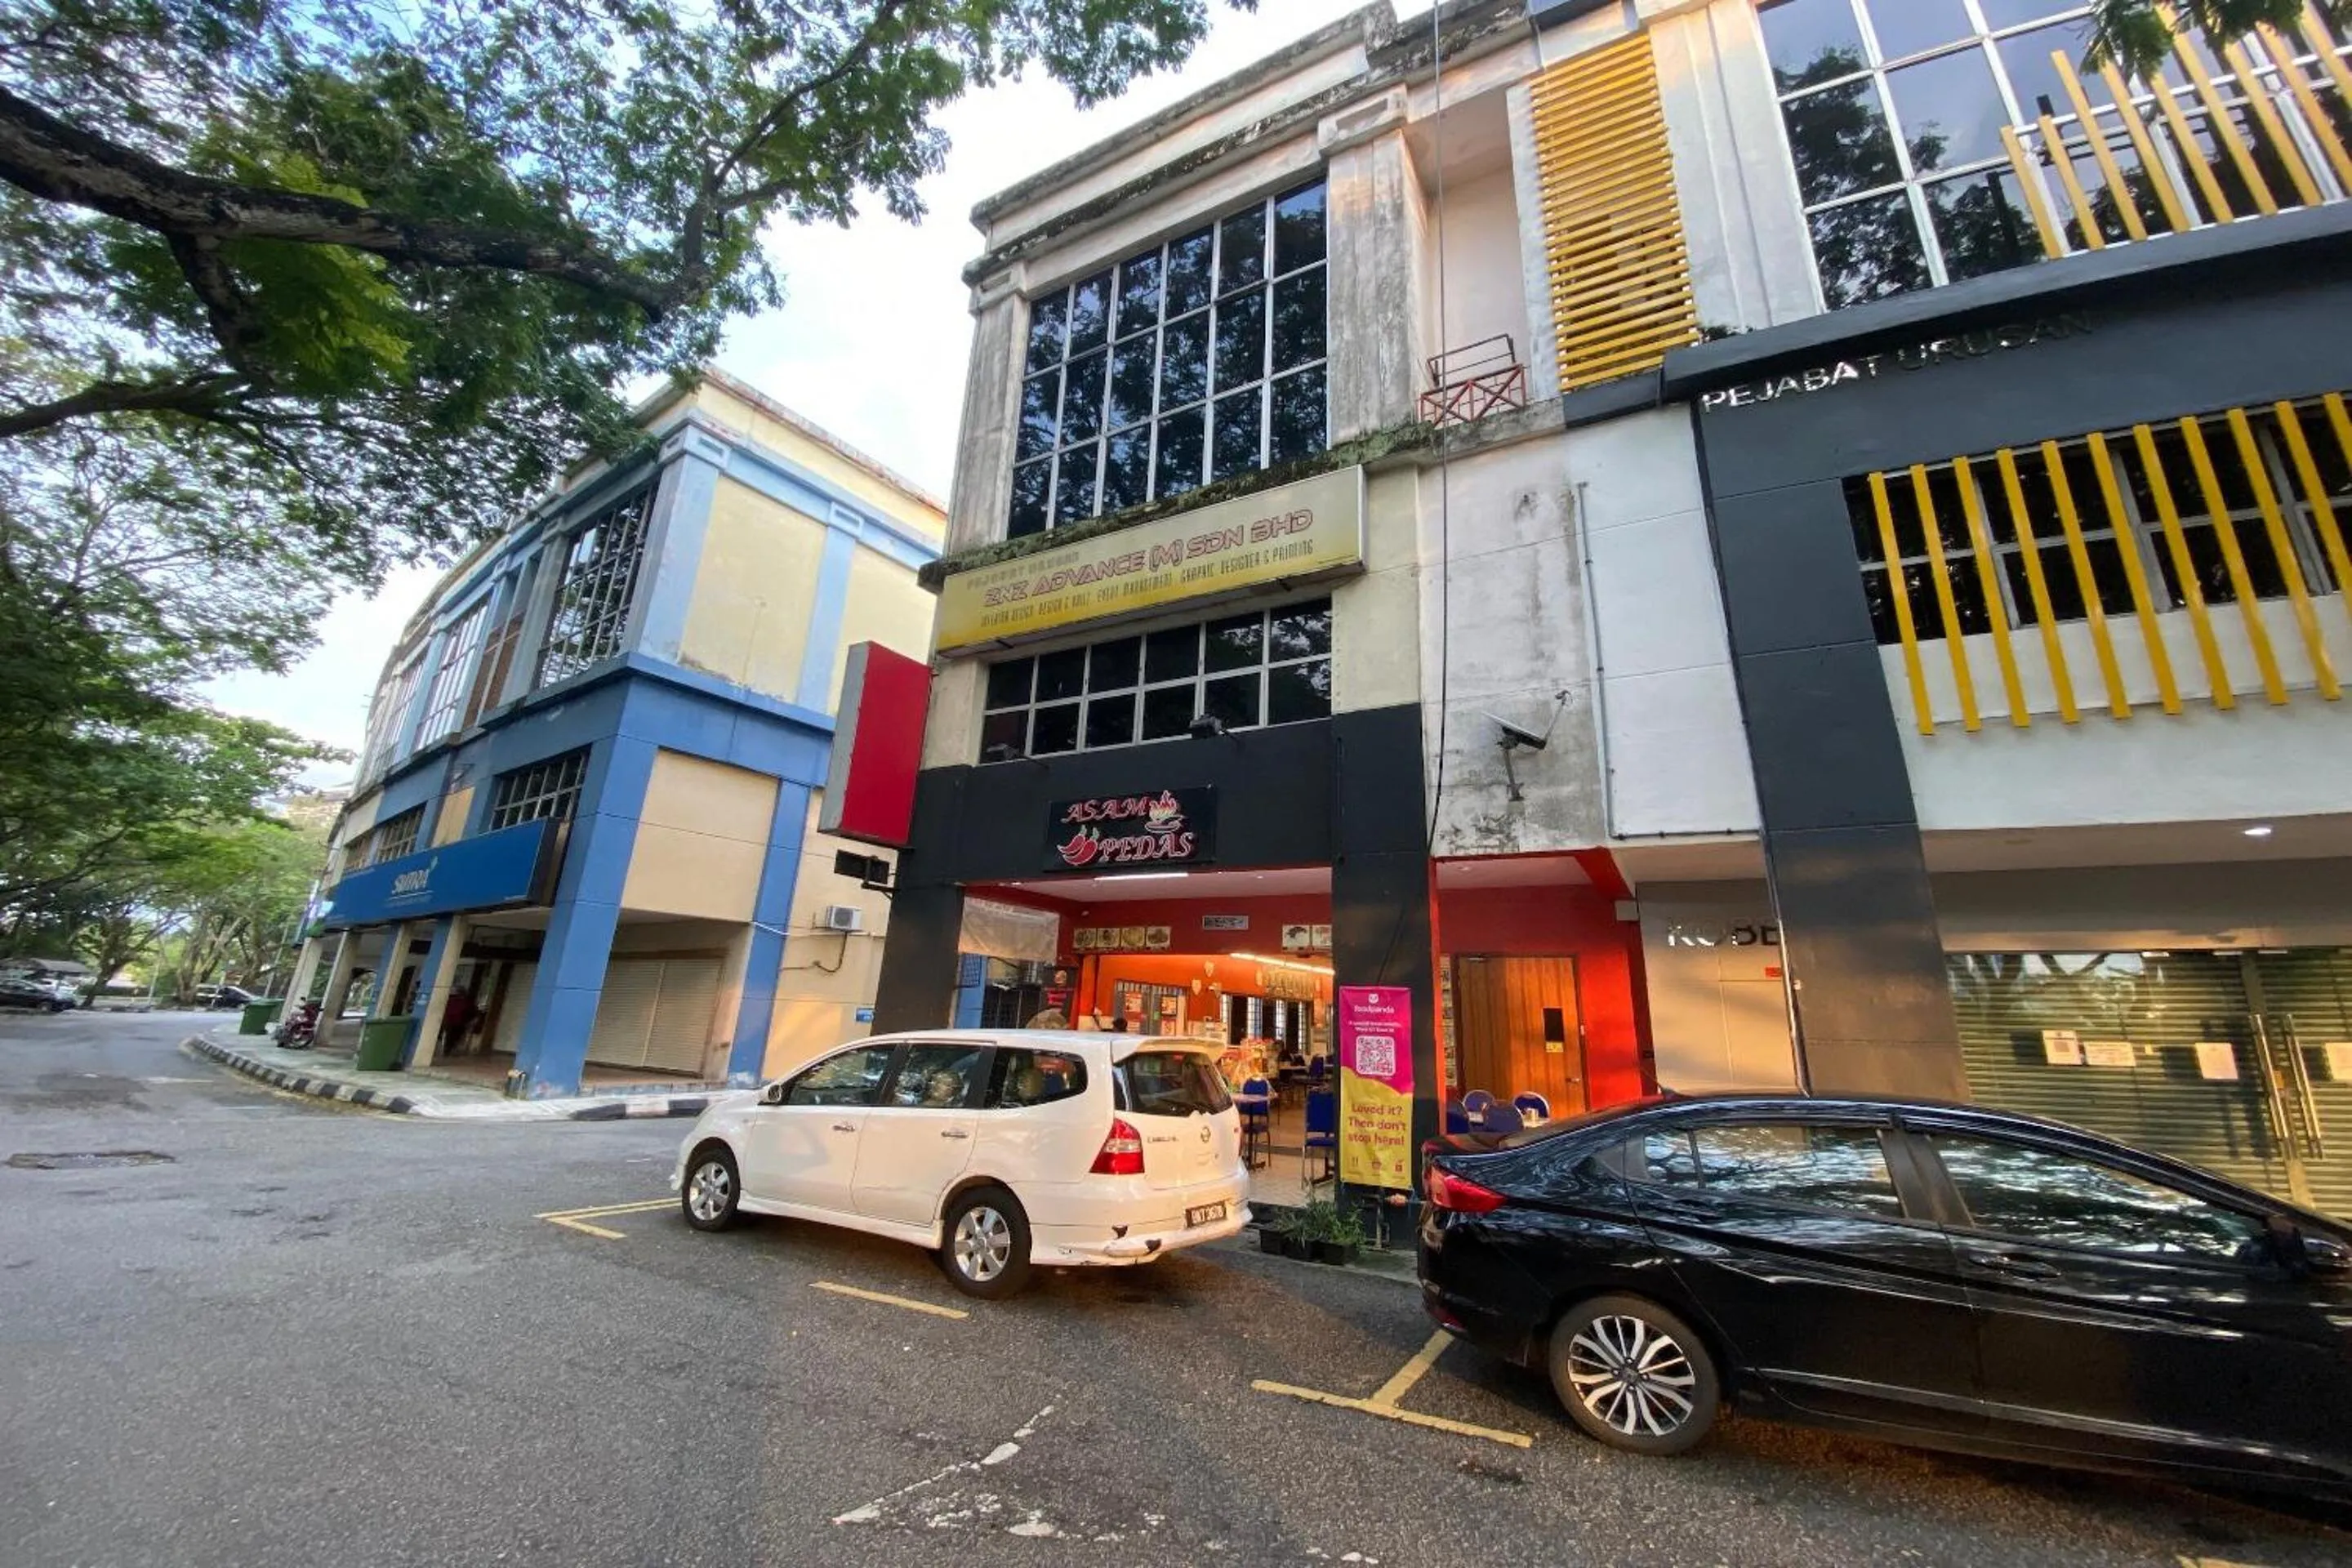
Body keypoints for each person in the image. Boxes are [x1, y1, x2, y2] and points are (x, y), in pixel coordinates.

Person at [440, 985, 479, 1056]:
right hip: (458, 1022)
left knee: (450, 1036)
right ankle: (449, 1049)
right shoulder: (466, 1001)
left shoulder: (450, 999)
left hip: (452, 1021)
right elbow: (472, 1011)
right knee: (455, 1036)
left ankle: (447, 1049)